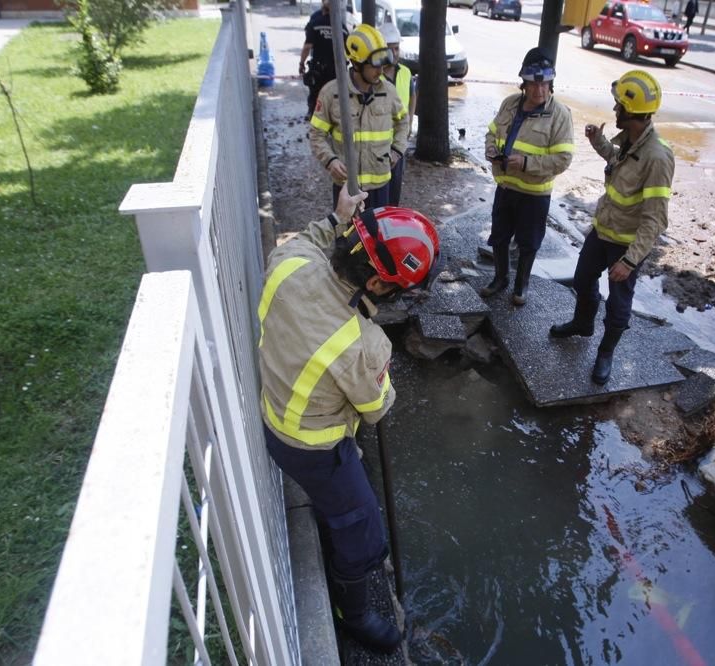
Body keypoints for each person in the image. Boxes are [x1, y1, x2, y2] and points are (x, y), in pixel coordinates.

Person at [258, 184, 440, 653]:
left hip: (272, 413)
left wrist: (338, 216)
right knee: (363, 534)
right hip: (314, 447)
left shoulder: (291, 262)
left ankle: (329, 515)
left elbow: (315, 240)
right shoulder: (362, 344)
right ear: (377, 284)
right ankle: (354, 614)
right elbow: (377, 407)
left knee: (338, 508)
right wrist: (383, 369)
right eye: (399, 289)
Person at [550, 70, 674, 385]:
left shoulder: (657, 158)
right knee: (582, 279)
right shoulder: (631, 142)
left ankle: (605, 353)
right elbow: (618, 162)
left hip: (626, 246)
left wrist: (630, 260)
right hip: (602, 231)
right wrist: (599, 142)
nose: (615, 110)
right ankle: (582, 324)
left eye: (619, 106)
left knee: (619, 306)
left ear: (631, 112)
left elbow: (655, 217)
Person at [481, 47, 574, 306]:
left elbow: (563, 159)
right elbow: (491, 132)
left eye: (545, 84)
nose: (539, 90)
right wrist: (491, 149)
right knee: (499, 236)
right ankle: (500, 279)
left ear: (551, 83)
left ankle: (521, 285)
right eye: (534, 84)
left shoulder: (560, 115)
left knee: (528, 243)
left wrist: (525, 163)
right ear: (524, 83)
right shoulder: (509, 104)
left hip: (535, 195)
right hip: (506, 187)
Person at [309, 24, 409, 210]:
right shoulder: (332, 93)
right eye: (374, 66)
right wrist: (330, 160)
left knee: (378, 237)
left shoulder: (389, 91)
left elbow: (403, 122)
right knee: (349, 237)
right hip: (347, 188)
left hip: (380, 187)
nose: (380, 72)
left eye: (383, 66)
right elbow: (316, 134)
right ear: (356, 64)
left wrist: (397, 150)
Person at [379, 21, 417, 206]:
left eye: (396, 48)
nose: (394, 53)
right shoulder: (373, 76)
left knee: (394, 191)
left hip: (398, 143)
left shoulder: (406, 73)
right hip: (378, 142)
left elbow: (412, 95)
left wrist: (409, 123)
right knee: (378, 192)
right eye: (389, 48)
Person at [299, 0, 341, 122]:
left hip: (320, 69)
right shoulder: (340, 25)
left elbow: (307, 46)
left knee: (316, 96)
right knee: (332, 98)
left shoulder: (315, 22)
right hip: (335, 71)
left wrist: (301, 64)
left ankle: (315, 121)